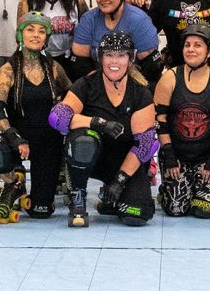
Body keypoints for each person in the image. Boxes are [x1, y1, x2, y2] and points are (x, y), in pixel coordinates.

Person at [48, 32, 159, 227]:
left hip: (124, 163)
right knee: (83, 138)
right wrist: (97, 123)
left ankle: (111, 198)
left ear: (130, 59)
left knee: (137, 214)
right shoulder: (87, 84)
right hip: (93, 157)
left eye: (121, 55)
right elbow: (56, 118)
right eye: (109, 55)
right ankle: (78, 198)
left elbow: (146, 144)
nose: (114, 61)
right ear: (100, 57)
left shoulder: (140, 92)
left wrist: (119, 181)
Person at [0, 12, 72, 220]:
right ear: (20, 35)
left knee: (41, 211)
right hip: (18, 138)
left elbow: (73, 97)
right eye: (30, 30)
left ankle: (30, 191)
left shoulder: (53, 68)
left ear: (46, 38)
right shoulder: (9, 69)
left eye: (41, 31)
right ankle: (12, 183)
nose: (36, 35)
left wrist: (64, 111)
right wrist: (13, 135)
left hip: (47, 140)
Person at [153, 23, 210, 219]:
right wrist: (170, 156)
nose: (191, 50)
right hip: (177, 155)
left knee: (205, 210)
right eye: (187, 45)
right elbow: (160, 121)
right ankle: (170, 189)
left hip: (207, 155)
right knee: (176, 209)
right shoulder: (169, 78)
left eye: (198, 45)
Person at [70, 0, 162, 80]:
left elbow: (152, 67)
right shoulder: (89, 20)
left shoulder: (139, 20)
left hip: (133, 81)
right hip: (97, 81)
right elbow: (80, 65)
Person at [17, 0, 85, 80]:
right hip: (38, 58)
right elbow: (21, 37)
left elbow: (86, 32)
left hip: (70, 59)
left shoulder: (77, 0)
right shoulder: (28, 2)